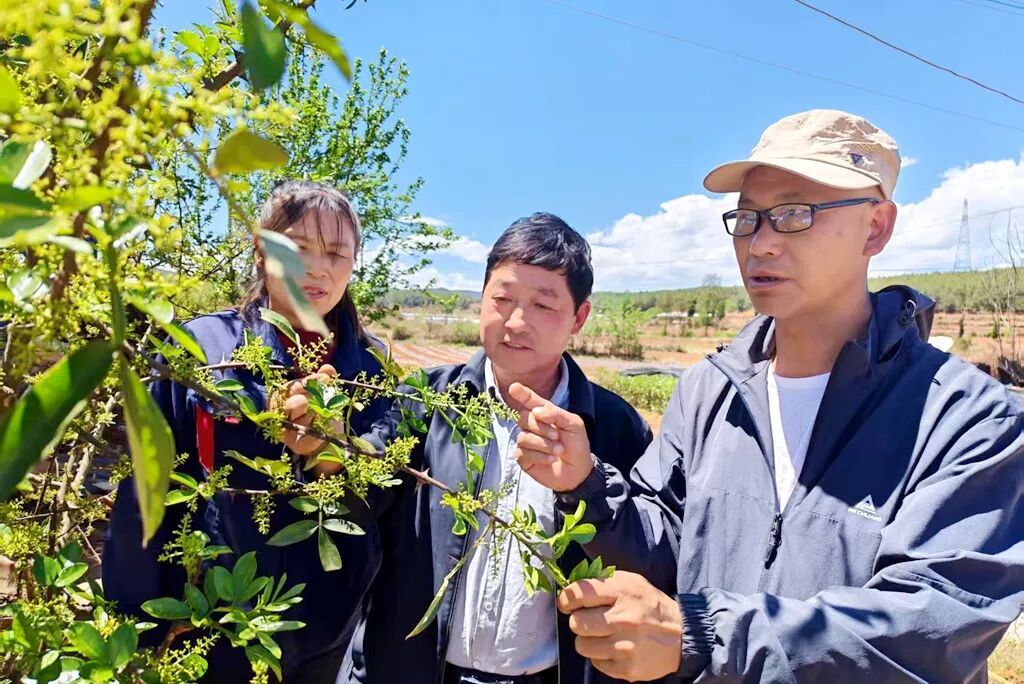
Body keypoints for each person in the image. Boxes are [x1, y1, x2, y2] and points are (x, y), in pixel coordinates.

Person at [513, 110, 1024, 682]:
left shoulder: (967, 417)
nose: (761, 243)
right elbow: (665, 545)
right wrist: (587, 485)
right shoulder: (709, 390)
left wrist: (704, 635)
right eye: (748, 218)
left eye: (794, 214)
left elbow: (931, 628)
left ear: (876, 228)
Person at [328, 213, 653, 683]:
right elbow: (358, 496)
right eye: (502, 299)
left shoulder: (617, 428)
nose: (516, 322)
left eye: (543, 305)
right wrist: (329, 451)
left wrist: (588, 484)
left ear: (578, 318)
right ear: (481, 299)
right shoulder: (425, 400)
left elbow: (645, 557)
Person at [104, 180, 390, 682]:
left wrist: (334, 451)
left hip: (324, 632)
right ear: (261, 250)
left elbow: (384, 496)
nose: (318, 268)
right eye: (297, 248)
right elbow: (144, 495)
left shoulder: (372, 367)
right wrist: (134, 631)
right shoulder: (200, 349)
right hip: (211, 626)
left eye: (336, 253)